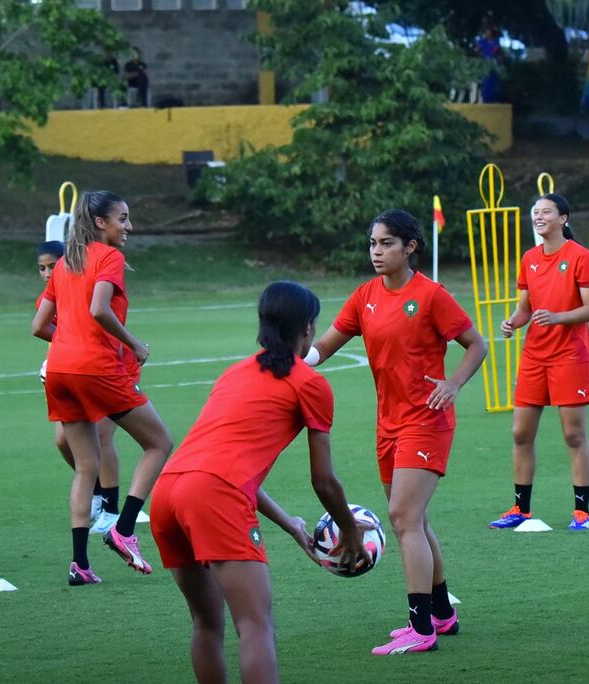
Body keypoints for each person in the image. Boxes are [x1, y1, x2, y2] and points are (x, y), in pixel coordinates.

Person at [150, 281, 370, 684]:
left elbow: (225, 470)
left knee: (206, 622)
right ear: (307, 328)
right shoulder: (310, 384)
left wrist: (290, 524)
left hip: (167, 492)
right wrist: (350, 529)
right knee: (255, 626)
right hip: (214, 494)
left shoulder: (234, 373)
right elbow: (323, 480)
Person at [307, 209, 487, 655]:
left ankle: (420, 628)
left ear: (410, 247)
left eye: (386, 243)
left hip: (427, 420)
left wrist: (454, 383)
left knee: (404, 518)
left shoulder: (430, 296)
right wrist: (290, 362)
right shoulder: (364, 296)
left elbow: (476, 344)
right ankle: (442, 614)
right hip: (388, 424)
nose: (377, 251)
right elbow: (324, 346)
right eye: (373, 243)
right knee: (415, 520)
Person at [32, 190, 173, 585]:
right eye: (122, 219)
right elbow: (99, 308)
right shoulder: (108, 257)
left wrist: (69, 344)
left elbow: (39, 326)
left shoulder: (65, 264)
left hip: (59, 370)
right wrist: (133, 344)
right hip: (96, 369)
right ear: (100, 223)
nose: (129, 226)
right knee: (159, 443)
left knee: (85, 467)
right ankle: (123, 529)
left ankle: (80, 565)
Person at [489, 193, 589, 531]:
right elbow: (525, 307)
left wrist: (557, 317)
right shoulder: (530, 258)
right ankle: (520, 508)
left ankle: (581, 512)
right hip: (534, 357)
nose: (538, 217)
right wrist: (512, 322)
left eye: (546, 212)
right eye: (535, 212)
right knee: (520, 432)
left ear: (563, 218)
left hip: (570, 357)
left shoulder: (580, 256)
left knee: (573, 434)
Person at [36, 240, 123, 534]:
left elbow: (102, 321)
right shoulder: (47, 300)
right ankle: (96, 492)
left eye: (52, 266)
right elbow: (43, 328)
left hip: (105, 368)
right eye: (42, 268)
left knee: (103, 435)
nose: (48, 273)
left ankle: (111, 510)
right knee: (64, 441)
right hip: (71, 372)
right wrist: (63, 351)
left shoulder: (89, 288)